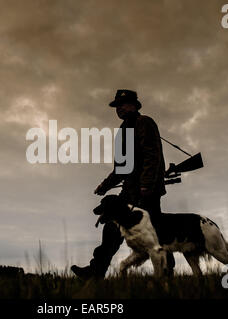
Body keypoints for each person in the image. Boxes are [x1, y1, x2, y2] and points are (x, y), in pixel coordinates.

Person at [71, 89, 175, 279]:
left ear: (135, 105)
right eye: (116, 106)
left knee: (155, 234)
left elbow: (153, 156)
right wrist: (105, 185)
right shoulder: (122, 131)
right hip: (129, 192)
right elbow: (122, 167)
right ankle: (96, 271)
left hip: (147, 192)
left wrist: (146, 186)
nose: (119, 108)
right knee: (111, 228)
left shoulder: (145, 122)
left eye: (123, 104)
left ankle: (167, 273)